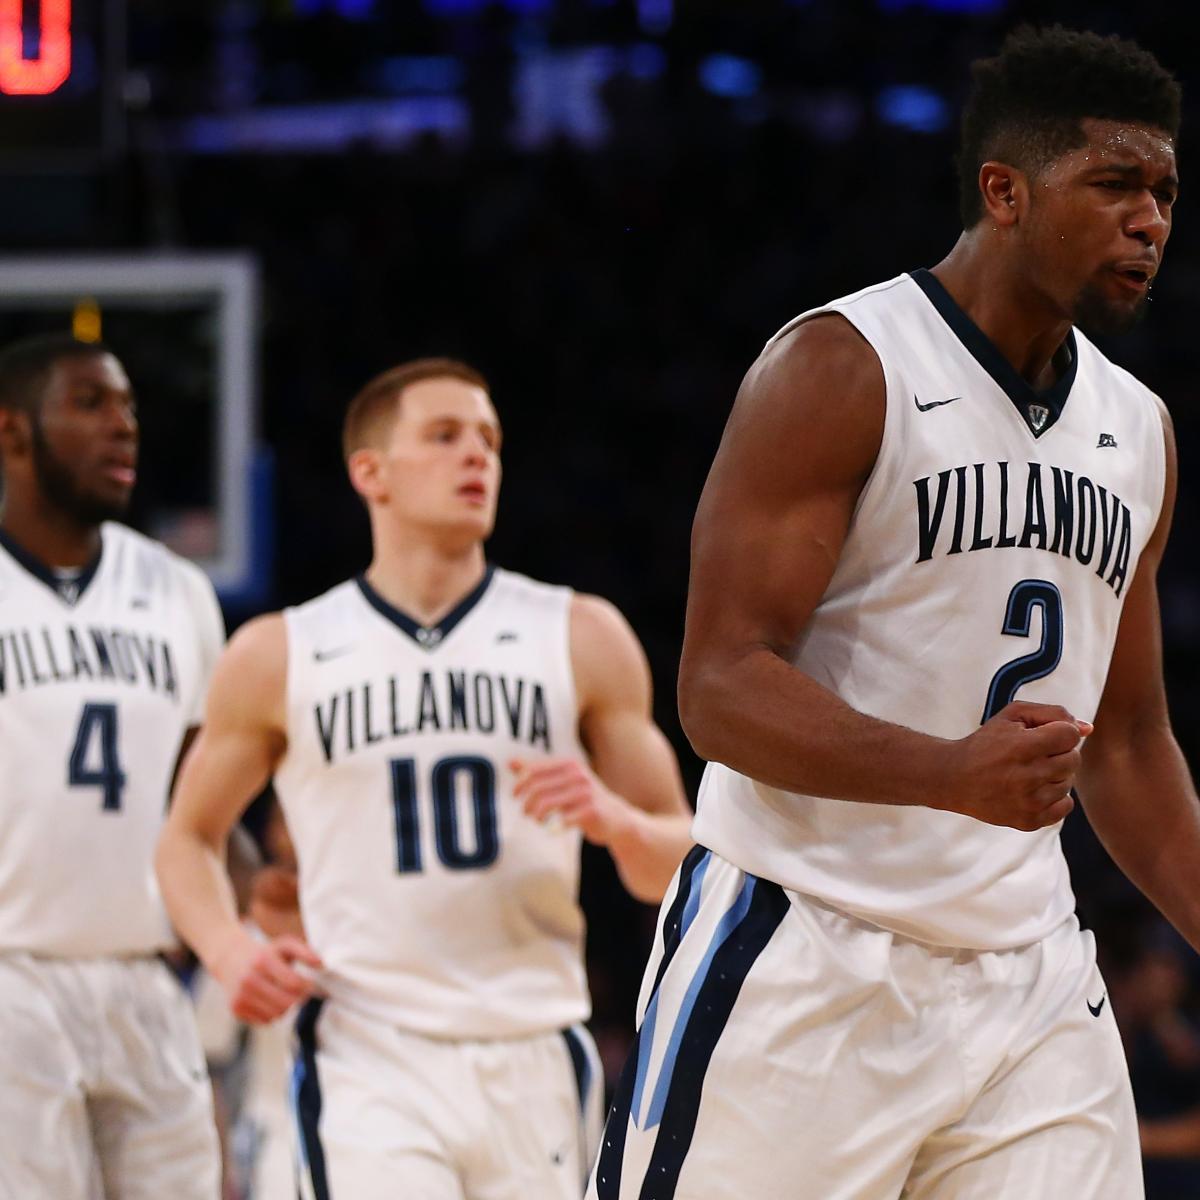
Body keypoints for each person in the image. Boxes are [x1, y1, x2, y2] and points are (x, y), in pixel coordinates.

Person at [590, 25, 1190, 1200]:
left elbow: (1125, 745)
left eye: (1166, 190)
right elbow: (717, 686)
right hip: (803, 949)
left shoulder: (1141, 432)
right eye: (1115, 183)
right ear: (1003, 191)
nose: (1151, 219)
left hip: (1028, 979)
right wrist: (943, 771)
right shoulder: (840, 365)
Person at [156, 357, 693, 1198]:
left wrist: (616, 821)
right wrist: (227, 951)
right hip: (370, 1048)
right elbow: (186, 839)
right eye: (444, 437)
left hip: (535, 1044)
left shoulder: (581, 634)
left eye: (489, 440)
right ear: (370, 472)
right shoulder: (280, 651)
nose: (476, 456)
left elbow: (686, 862)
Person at [0, 334, 226, 1197]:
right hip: (12, 973)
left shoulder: (179, 592)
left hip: (147, 976)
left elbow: (196, 804)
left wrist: (274, 890)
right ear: (15, 435)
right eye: (90, 404)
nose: (123, 427)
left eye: (128, 406)